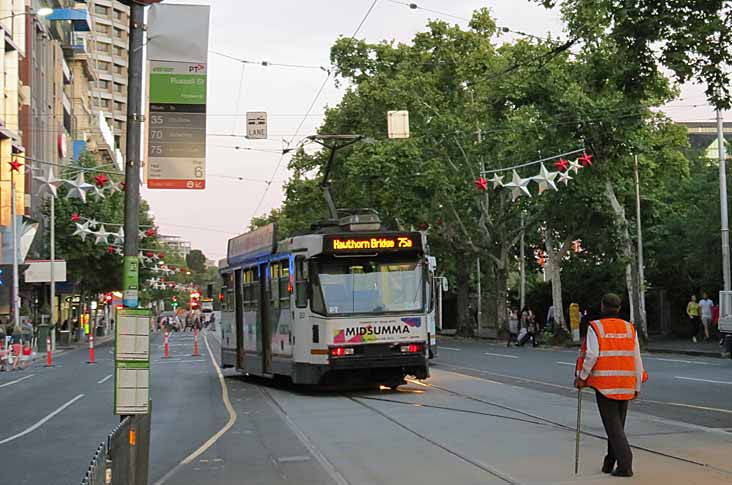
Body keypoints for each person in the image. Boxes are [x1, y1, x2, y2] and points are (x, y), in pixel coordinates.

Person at [575, 293, 647, 477]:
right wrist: (637, 384)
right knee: (617, 427)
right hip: (626, 383)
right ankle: (609, 462)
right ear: (619, 308)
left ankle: (625, 464)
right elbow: (636, 357)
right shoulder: (630, 328)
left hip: (605, 385)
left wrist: (582, 377)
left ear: (602, 307)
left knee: (613, 428)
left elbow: (591, 355)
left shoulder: (596, 327)